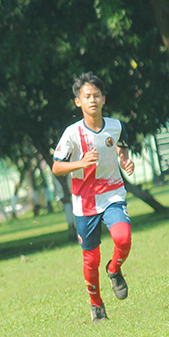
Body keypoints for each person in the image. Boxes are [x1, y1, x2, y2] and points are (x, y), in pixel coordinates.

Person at [51, 72, 135, 323]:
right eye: (87, 96)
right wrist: (80, 162)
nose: (92, 100)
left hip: (112, 194)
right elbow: (57, 167)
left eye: (96, 95)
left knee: (123, 237)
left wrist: (124, 159)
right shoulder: (72, 134)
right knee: (91, 259)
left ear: (104, 98)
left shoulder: (116, 126)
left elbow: (121, 145)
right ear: (78, 101)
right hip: (84, 202)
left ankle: (114, 270)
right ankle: (96, 304)